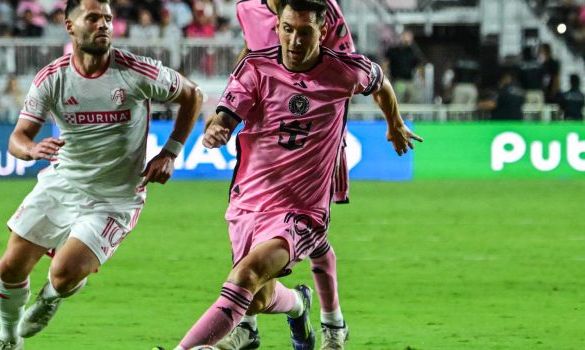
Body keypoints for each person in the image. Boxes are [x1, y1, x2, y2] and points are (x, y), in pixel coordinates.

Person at [157, 0, 421, 349]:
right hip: (249, 201)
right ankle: (298, 305)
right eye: (288, 30)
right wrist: (217, 129)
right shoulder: (255, 67)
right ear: (276, 27)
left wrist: (395, 123)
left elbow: (381, 84)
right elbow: (226, 114)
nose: (295, 40)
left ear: (322, 31)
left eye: (305, 31)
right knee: (257, 298)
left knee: (245, 276)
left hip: (302, 210)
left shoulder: (345, 70)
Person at [0, 0, 204, 348]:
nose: (103, 24)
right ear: (70, 26)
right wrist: (30, 149)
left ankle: (53, 296)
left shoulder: (134, 71)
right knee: (10, 267)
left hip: (115, 197)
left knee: (63, 273)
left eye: (108, 18)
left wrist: (170, 153)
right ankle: (9, 338)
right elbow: (17, 138)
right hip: (63, 183)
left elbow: (193, 94)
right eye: (93, 17)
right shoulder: (53, 78)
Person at [220, 0, 355, 348]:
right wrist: (230, 100)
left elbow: (343, 66)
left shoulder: (321, 8)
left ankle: (332, 323)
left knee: (311, 233)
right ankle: (250, 324)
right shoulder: (247, 8)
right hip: (262, 134)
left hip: (309, 135)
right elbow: (252, 51)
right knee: (249, 226)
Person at [384, 30, 425, 104]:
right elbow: (385, 63)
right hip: (398, 81)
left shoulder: (413, 52)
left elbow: (419, 65)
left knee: (417, 96)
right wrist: (385, 76)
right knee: (399, 96)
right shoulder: (394, 50)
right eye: (406, 36)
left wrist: (421, 78)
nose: (408, 39)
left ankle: (410, 113)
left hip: (410, 81)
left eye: (410, 37)